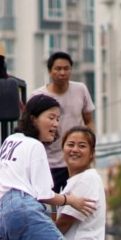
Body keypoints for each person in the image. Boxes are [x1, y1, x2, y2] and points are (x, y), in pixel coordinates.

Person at [0, 95, 97, 240]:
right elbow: (43, 194)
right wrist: (70, 200)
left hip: (0, 220)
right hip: (23, 210)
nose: (56, 124)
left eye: (58, 119)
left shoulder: (9, 142)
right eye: (51, 117)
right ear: (33, 118)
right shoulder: (34, 145)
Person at [30, 52, 94, 192]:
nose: (62, 73)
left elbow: (89, 121)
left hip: (74, 160)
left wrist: (88, 146)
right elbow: (31, 129)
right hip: (48, 163)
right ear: (49, 71)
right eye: (58, 69)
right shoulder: (38, 96)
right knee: (49, 205)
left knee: (75, 203)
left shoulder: (81, 90)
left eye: (66, 69)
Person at [54, 126, 106, 240]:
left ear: (92, 153)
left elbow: (63, 224)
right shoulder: (71, 183)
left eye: (82, 146)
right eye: (70, 144)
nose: (75, 150)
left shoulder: (88, 178)